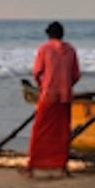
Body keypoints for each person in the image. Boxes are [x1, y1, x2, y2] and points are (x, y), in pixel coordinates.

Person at [24, 21, 81, 178]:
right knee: (62, 131)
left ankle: (33, 166)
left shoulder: (44, 49)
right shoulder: (71, 50)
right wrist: (67, 86)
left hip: (48, 95)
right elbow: (76, 75)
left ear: (48, 34)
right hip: (65, 96)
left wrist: (42, 86)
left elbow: (36, 72)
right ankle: (62, 166)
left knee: (40, 130)